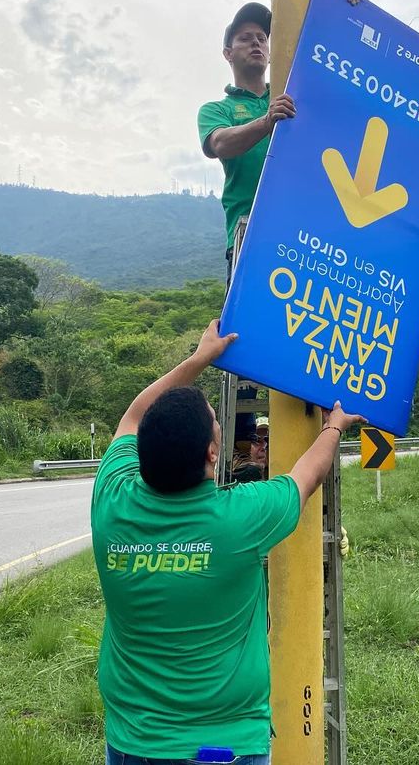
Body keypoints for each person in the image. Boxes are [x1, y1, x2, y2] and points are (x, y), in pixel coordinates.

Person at [91, 320, 365, 765]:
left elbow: (133, 416)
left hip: (133, 742)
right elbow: (305, 477)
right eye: (217, 425)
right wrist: (333, 427)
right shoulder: (242, 518)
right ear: (212, 454)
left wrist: (198, 359)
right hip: (226, 745)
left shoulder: (111, 502)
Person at [197, 0, 364, 275]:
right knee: (247, 322)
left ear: (271, 52)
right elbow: (220, 143)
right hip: (250, 234)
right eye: (245, 38)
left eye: (262, 38)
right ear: (228, 53)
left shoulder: (295, 92)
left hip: (305, 234)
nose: (256, 43)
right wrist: (266, 121)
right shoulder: (216, 110)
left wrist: (347, 6)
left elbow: (333, 69)